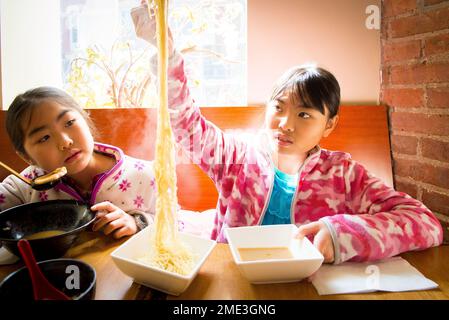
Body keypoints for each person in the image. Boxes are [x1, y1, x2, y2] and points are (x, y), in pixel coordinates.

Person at [131, 2, 443, 264]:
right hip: (233, 280)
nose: (285, 123)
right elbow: (186, 125)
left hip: (309, 284)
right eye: (278, 107)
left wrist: (341, 234)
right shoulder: (237, 158)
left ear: (329, 124)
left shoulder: (344, 175)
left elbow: (426, 224)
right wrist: (167, 54)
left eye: (304, 113)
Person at [0, 86, 156, 239]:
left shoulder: (144, 176)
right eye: (44, 138)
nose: (65, 142)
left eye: (69, 123)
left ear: (86, 119)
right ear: (27, 157)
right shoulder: (28, 183)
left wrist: (138, 222)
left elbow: (176, 223)